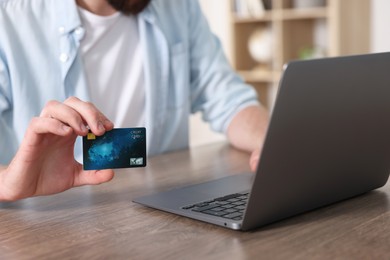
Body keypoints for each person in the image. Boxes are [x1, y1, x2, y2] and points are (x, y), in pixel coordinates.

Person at [0, 0, 269, 201]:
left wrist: (275, 143)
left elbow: (229, 98)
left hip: (162, 213)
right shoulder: (9, 18)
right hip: (46, 224)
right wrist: (7, 182)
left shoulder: (179, 7)